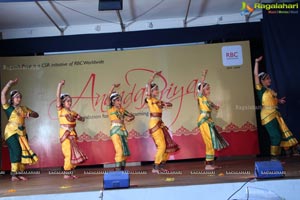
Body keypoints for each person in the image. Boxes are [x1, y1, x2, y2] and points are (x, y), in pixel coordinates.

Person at [254, 56, 298, 159]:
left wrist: (279, 101)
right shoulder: (260, 89)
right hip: (267, 116)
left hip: (275, 114)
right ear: (262, 81)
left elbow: (272, 100)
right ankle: (274, 159)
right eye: (267, 78)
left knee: (279, 136)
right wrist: (256, 62)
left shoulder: (270, 91)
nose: (270, 80)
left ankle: (276, 158)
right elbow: (256, 75)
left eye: (269, 78)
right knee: (276, 136)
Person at [1, 78, 39, 181]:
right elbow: (2, 95)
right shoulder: (9, 108)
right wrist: (9, 83)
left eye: (20, 97)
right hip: (11, 133)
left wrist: (30, 114)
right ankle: (14, 175)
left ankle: (20, 173)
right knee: (16, 151)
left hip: (22, 132)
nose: (18, 98)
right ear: (12, 99)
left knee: (23, 151)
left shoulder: (24, 108)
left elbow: (36, 115)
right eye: (16, 97)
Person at [145, 71, 179, 174]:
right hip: (154, 124)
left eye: (157, 90)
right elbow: (148, 88)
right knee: (162, 146)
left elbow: (170, 104)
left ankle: (160, 166)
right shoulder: (150, 100)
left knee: (167, 146)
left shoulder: (158, 101)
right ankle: (155, 167)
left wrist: (165, 104)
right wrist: (152, 77)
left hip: (160, 124)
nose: (157, 91)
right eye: (155, 90)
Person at [197, 70, 229, 170]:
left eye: (209, 88)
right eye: (207, 88)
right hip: (204, 121)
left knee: (211, 141)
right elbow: (201, 87)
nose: (208, 90)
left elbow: (215, 107)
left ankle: (210, 163)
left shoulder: (208, 99)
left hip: (209, 121)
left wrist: (217, 106)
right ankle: (208, 165)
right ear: (202, 90)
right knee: (209, 141)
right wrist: (203, 76)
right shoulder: (201, 97)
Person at [56, 80, 87, 179]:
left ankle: (70, 172)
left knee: (74, 153)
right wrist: (59, 85)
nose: (70, 102)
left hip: (72, 134)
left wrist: (79, 118)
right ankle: (66, 174)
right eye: (67, 101)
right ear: (63, 102)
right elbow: (57, 97)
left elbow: (83, 119)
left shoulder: (73, 112)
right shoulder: (61, 110)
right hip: (65, 134)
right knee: (68, 153)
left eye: (70, 101)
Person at [106, 84, 135, 171]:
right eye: (117, 100)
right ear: (113, 102)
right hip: (115, 131)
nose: (119, 102)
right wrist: (112, 87)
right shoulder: (110, 109)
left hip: (123, 131)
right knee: (119, 150)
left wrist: (130, 119)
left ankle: (122, 170)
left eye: (120, 100)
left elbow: (132, 115)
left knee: (124, 151)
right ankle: (118, 170)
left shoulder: (122, 110)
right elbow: (107, 99)